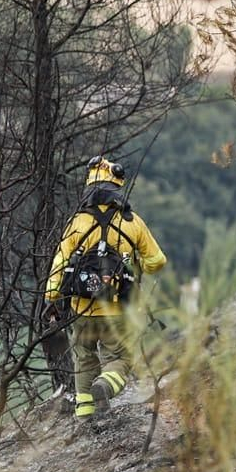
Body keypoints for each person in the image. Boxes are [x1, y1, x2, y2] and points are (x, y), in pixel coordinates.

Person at [45, 155, 167, 421]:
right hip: (118, 308)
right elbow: (157, 261)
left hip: (81, 308)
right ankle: (106, 386)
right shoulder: (131, 221)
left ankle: (86, 414)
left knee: (84, 358)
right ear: (116, 186)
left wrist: (52, 296)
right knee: (122, 357)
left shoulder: (76, 222)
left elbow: (60, 261)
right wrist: (137, 266)